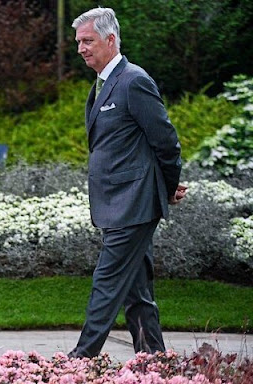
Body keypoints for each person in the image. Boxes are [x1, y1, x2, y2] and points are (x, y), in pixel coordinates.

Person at [68, 7, 188, 358]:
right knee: (137, 291)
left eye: (87, 41)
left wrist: (166, 188)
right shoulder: (104, 82)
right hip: (121, 202)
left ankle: (81, 358)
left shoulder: (133, 80)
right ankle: (153, 358)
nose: (81, 49)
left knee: (106, 283)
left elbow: (165, 141)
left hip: (132, 204)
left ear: (110, 39)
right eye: (78, 42)